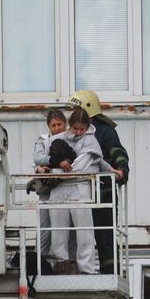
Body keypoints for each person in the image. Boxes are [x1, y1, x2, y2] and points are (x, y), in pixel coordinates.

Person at [50, 108, 123, 275]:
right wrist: (43, 168)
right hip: (59, 190)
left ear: (87, 126)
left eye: (81, 129)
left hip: (80, 188)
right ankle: (61, 267)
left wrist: (52, 174)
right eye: (75, 128)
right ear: (70, 125)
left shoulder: (91, 141)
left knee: (85, 234)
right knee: (59, 233)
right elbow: (44, 156)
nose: (78, 132)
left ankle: (86, 270)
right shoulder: (61, 138)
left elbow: (82, 166)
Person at [67, 90, 130, 272]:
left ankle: (109, 273)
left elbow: (117, 153)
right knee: (76, 236)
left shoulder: (104, 131)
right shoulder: (73, 131)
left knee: (105, 238)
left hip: (102, 194)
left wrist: (122, 171)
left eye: (77, 107)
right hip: (78, 193)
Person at [31, 108, 69, 272]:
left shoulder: (71, 138)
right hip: (47, 191)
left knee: (68, 233)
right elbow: (38, 158)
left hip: (67, 189)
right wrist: (55, 162)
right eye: (53, 125)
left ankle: (66, 265)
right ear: (48, 126)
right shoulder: (42, 140)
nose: (57, 128)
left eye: (60, 124)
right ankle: (38, 267)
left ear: (65, 124)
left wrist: (51, 163)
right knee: (44, 230)